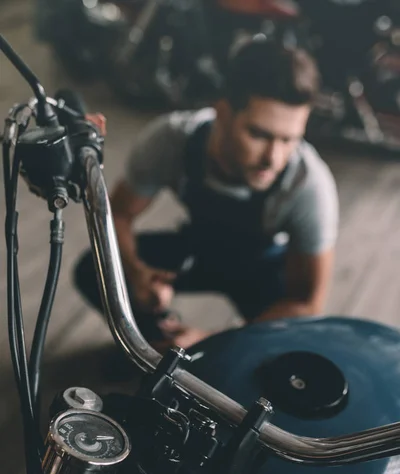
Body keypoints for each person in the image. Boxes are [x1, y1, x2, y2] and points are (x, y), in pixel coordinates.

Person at [74, 40, 339, 351]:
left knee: (296, 342)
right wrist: (136, 273)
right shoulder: (171, 140)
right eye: (259, 134)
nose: (274, 158)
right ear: (223, 112)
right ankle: (157, 346)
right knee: (95, 270)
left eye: (289, 139)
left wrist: (213, 342)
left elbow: (307, 304)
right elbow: (118, 213)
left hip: (261, 268)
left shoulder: (310, 185)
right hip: (198, 250)